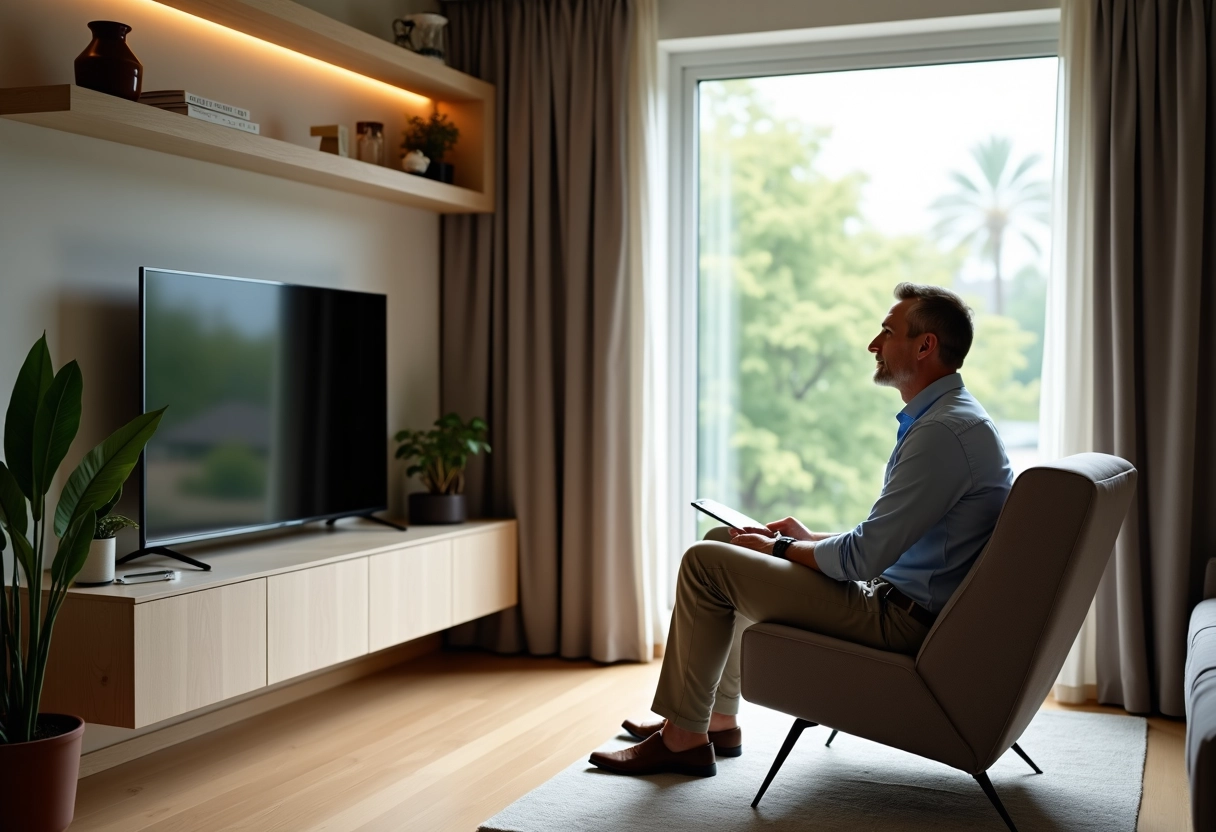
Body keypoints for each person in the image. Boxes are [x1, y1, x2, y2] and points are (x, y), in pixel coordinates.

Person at [591, 282, 1014, 778]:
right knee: (723, 544)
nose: (873, 345)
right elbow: (897, 540)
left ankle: (683, 739)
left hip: (897, 619)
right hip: (894, 599)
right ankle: (717, 720)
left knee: (706, 563)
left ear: (925, 347)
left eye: (887, 332)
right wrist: (809, 540)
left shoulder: (944, 433)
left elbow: (866, 557)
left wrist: (784, 546)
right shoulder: (949, 421)